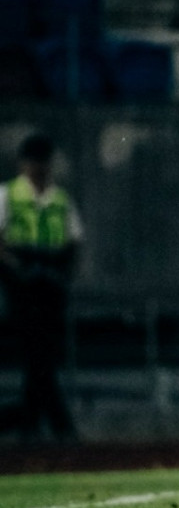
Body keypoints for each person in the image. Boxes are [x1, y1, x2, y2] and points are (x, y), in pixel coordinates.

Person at [0, 133, 84, 442]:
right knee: (39, 358)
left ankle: (29, 425)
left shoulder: (60, 199)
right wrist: (19, 268)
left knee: (41, 358)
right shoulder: (8, 195)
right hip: (21, 286)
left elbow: (74, 242)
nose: (40, 169)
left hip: (50, 285)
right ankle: (59, 425)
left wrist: (61, 273)